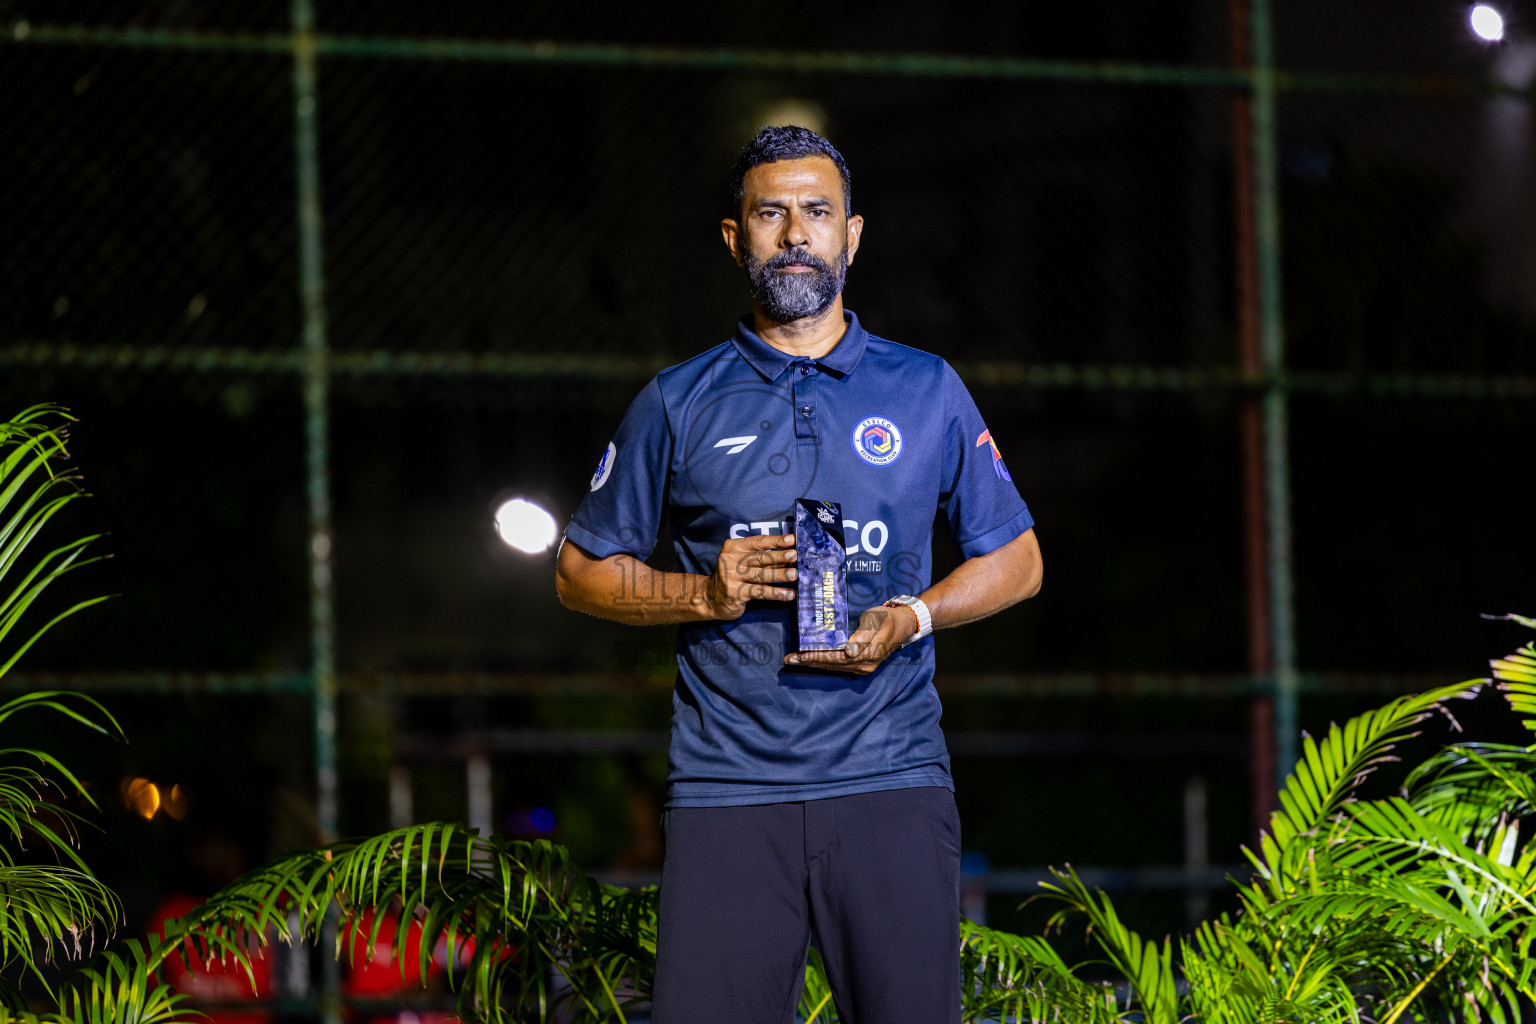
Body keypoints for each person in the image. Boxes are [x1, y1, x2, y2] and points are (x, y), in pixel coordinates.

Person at [555, 125, 1042, 1024]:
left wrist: (911, 617)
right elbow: (579, 573)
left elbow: (1018, 560)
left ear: (851, 235)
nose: (794, 234)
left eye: (817, 212)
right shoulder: (677, 399)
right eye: (769, 213)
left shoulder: (926, 387)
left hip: (892, 778)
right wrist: (700, 593)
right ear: (734, 237)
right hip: (728, 790)